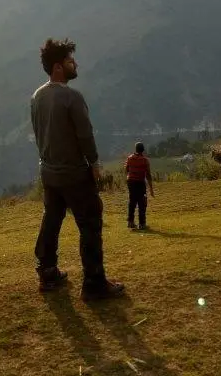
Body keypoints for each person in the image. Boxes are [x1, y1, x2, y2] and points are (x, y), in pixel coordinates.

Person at [31, 37, 125, 301]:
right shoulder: (71, 97)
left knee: (52, 220)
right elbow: (85, 135)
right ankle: (94, 283)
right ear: (58, 67)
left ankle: (47, 273)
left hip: (49, 173)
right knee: (90, 223)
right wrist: (94, 163)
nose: (75, 65)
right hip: (74, 173)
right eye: (70, 61)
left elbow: (38, 133)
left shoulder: (37, 96)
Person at [125, 142, 155, 230]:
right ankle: (142, 224)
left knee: (132, 201)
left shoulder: (130, 158)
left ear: (136, 149)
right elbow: (148, 175)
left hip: (131, 182)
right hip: (140, 183)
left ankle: (130, 222)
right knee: (142, 203)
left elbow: (126, 169)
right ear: (143, 150)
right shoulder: (145, 160)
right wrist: (151, 189)